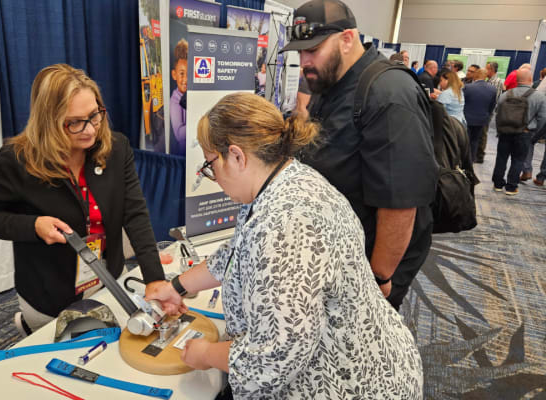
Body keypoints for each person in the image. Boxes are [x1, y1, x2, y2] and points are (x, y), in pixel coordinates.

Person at [146, 92, 423, 399]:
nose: (214, 177)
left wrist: (205, 354)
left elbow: (274, 355)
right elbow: (237, 253)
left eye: (211, 164)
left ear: (237, 156)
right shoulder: (284, 179)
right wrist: (177, 286)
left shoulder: (285, 225)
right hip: (366, 359)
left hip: (352, 383)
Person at [0, 64, 165, 334]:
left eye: (94, 115)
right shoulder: (18, 160)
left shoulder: (116, 148)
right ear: (49, 121)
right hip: (49, 291)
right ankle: (27, 327)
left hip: (105, 277)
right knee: (57, 352)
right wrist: (33, 226)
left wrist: (155, 279)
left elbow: (135, 213)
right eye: (74, 122)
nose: (90, 130)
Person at [278, 0, 438, 310]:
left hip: (373, 260)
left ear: (348, 39)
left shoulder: (388, 94)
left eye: (313, 50)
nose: (305, 61)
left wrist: (377, 278)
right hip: (340, 248)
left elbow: (401, 206)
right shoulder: (331, 82)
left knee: (359, 344)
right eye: (300, 52)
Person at [493, 68, 546, 195]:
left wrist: (500, 129)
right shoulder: (539, 96)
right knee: (518, 160)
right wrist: (534, 133)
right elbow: (543, 118)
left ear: (516, 79)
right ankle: (511, 187)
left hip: (505, 132)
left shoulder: (505, 94)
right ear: (530, 79)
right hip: (524, 133)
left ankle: (498, 184)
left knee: (501, 158)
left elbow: (497, 113)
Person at [463, 68, 497, 160]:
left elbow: (462, 103)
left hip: (467, 118)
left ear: (476, 75)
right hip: (482, 119)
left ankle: (463, 160)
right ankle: (472, 159)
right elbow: (492, 106)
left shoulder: (467, 87)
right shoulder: (493, 89)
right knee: (475, 141)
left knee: (465, 140)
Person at [475, 61, 505, 163]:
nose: (485, 70)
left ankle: (480, 156)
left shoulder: (496, 82)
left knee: (483, 134)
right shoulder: (489, 81)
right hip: (482, 112)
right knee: (480, 133)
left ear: (491, 70)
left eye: (487, 68)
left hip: (486, 113)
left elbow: (494, 100)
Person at [170, 39, 188, 155]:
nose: (185, 79)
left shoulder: (192, 94)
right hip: (183, 155)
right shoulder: (175, 100)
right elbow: (179, 135)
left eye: (189, 74)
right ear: (174, 74)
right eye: (182, 73)